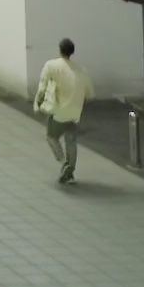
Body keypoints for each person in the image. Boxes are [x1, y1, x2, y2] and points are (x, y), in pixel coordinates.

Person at [33, 38, 91, 183]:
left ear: (60, 50)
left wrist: (38, 104)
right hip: (75, 112)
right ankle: (70, 171)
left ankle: (64, 162)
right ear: (72, 52)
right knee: (71, 140)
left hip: (59, 111)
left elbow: (42, 87)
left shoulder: (51, 65)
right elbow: (89, 93)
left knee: (51, 137)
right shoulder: (81, 70)